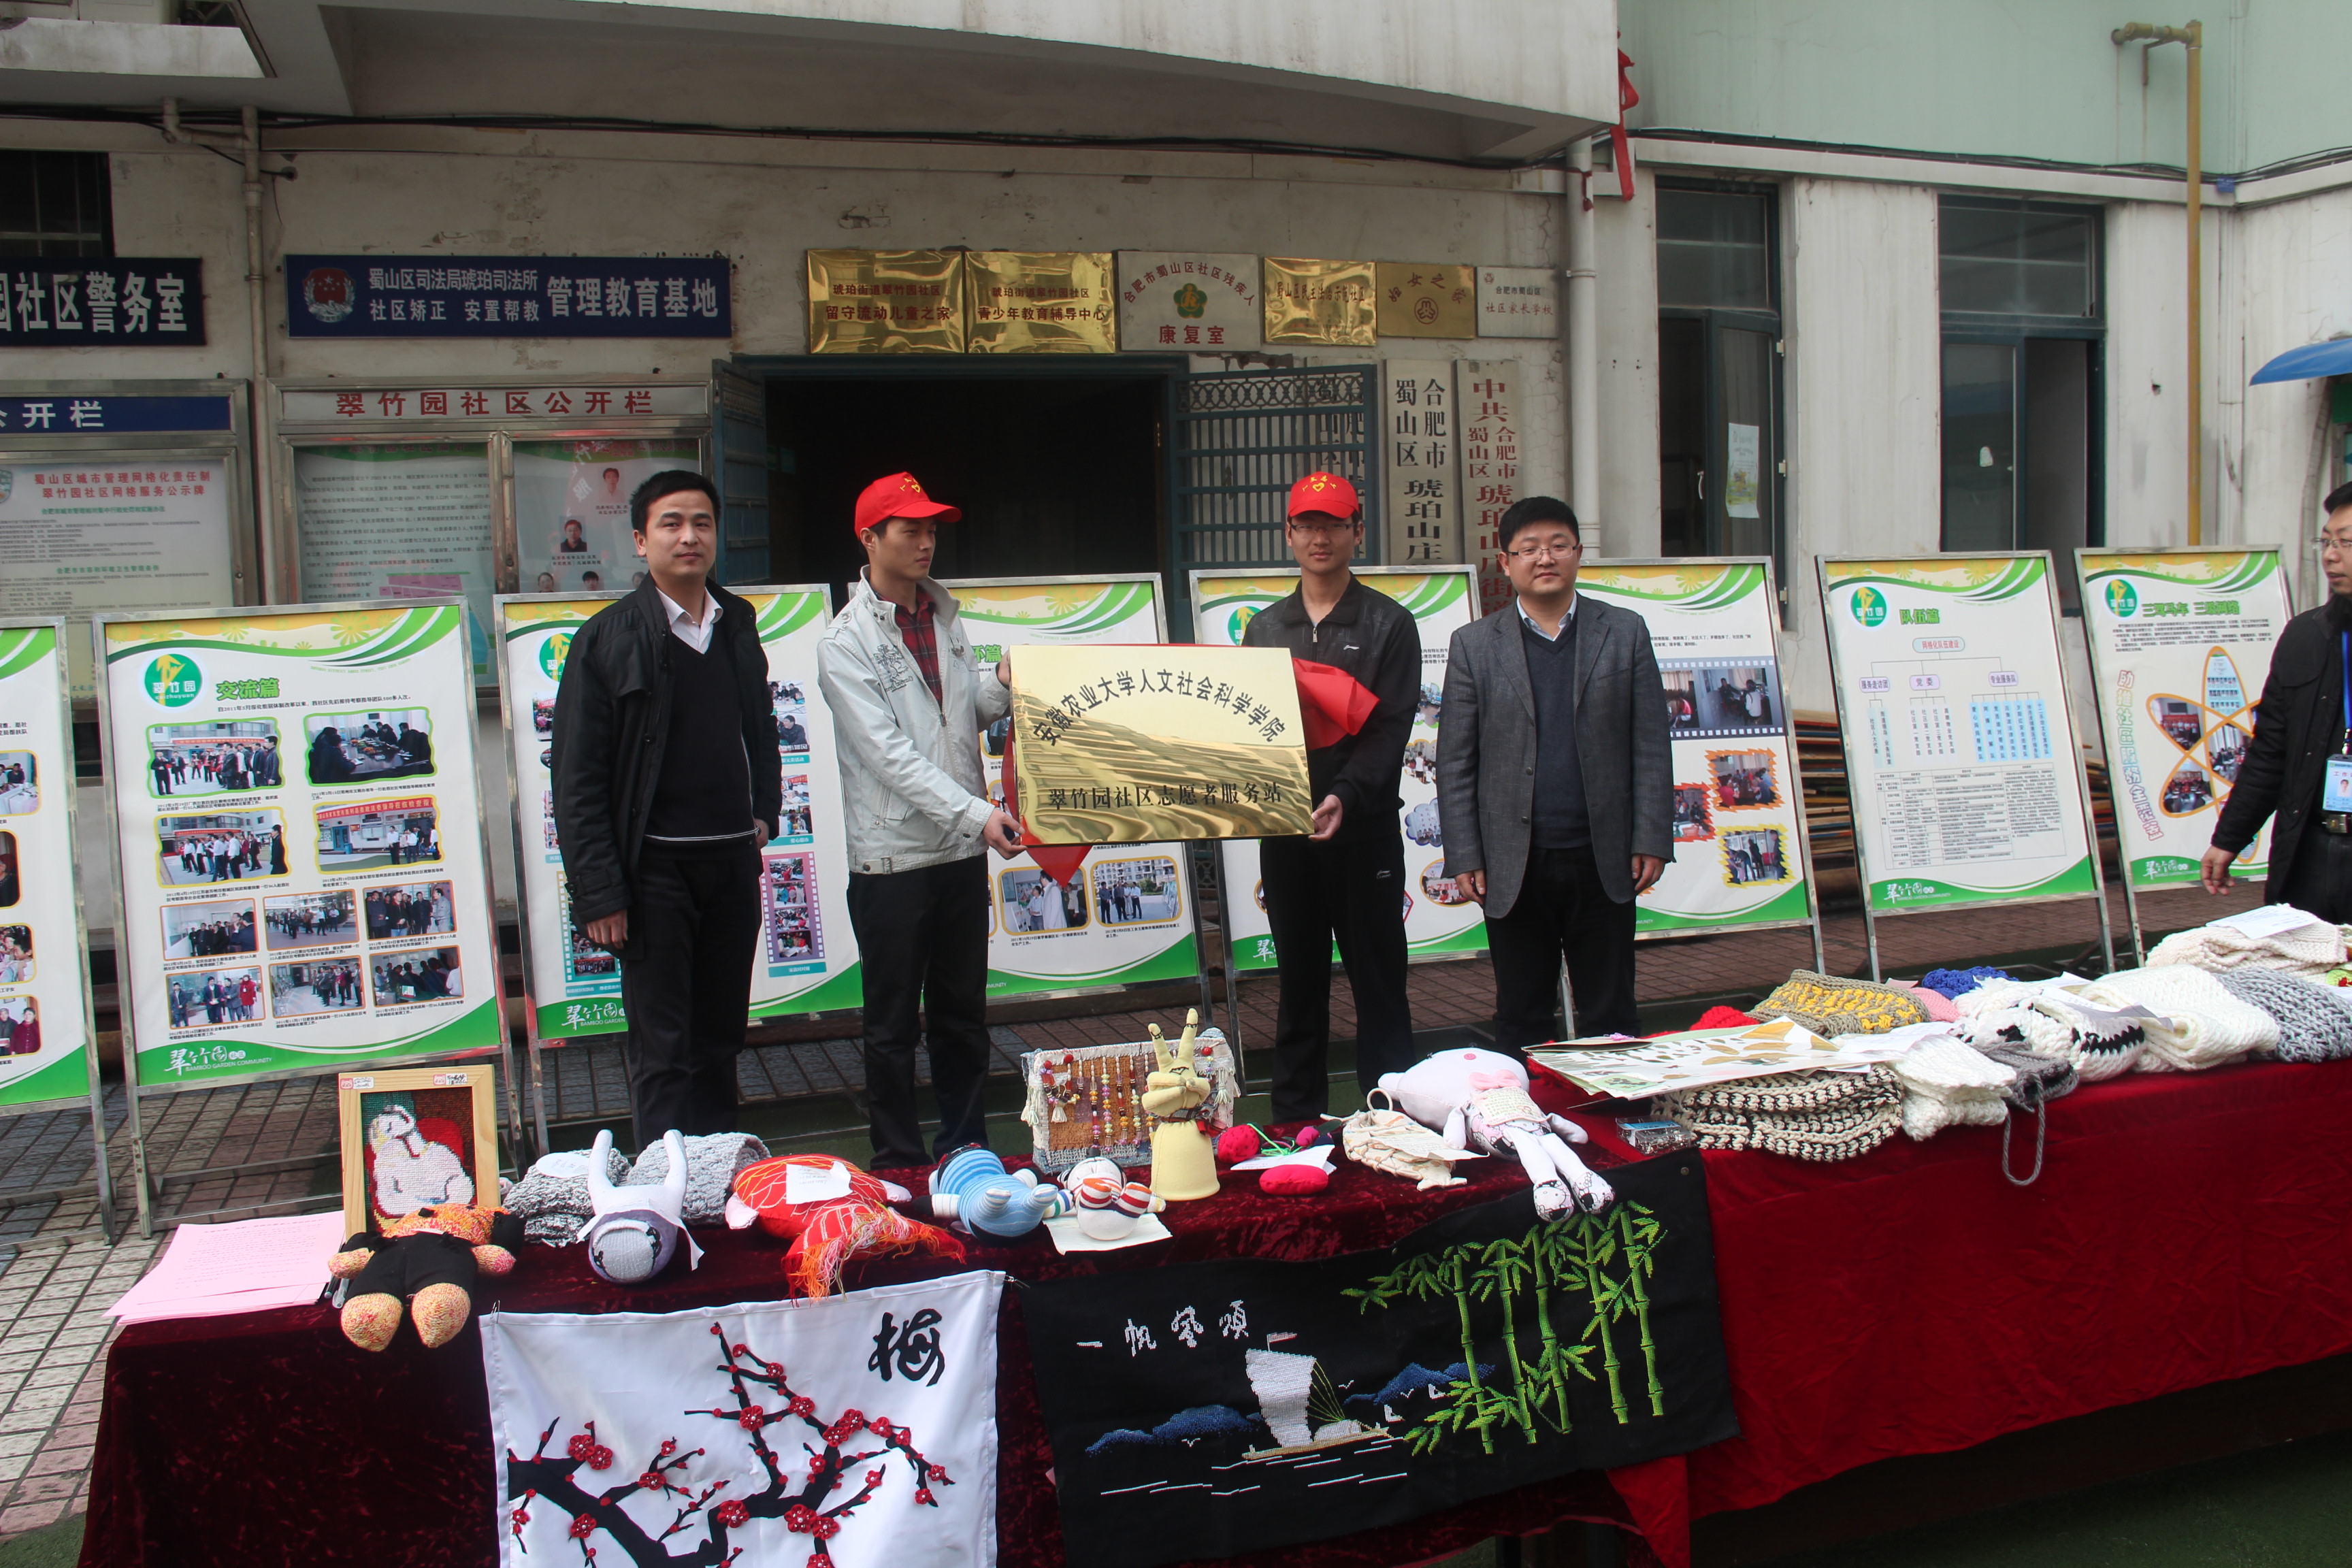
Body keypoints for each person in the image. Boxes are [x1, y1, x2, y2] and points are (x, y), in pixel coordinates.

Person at [553, 470, 781, 1147]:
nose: (689, 537)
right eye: (672, 523)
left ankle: (716, 1178)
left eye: (702, 523)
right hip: (654, 873)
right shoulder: (607, 639)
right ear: (640, 539)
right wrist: (600, 894)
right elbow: (577, 777)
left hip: (730, 866)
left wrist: (765, 809)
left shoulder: (736, 623)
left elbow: (760, 726)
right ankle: (663, 1188)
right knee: (664, 1048)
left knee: (720, 1038)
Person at [817, 471, 1022, 1171]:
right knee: (892, 1025)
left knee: (964, 1016)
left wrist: (1003, 685)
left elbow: (962, 719)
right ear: (870, 539)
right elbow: (890, 757)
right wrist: (979, 815)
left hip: (960, 852)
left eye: (932, 530)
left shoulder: (943, 617)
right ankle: (899, 1162)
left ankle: (967, 1150)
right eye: (911, 530)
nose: (926, 542)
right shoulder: (844, 641)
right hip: (894, 859)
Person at [1437, 495, 1671, 1045]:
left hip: (1604, 855)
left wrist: (1651, 837)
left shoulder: (1624, 632)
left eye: (1558, 546)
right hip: (1513, 862)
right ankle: (1526, 1103)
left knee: (1611, 1015)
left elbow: (1650, 744)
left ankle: (1610, 1100)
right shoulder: (1474, 645)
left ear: (1578, 554)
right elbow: (1456, 759)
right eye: (1530, 549)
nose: (1545, 558)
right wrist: (1466, 854)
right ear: (1506, 562)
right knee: (1522, 1017)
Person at [1240, 472, 1421, 1125]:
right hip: (1287, 836)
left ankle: (1396, 1120)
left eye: (1334, 525)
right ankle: (1296, 1124)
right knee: (1298, 985)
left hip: (1364, 834)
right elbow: (1247, 730)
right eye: (1308, 525)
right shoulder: (1265, 628)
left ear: (1357, 532)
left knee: (1380, 983)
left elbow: (1389, 730)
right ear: (1288, 534)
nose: (1321, 537)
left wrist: (1345, 795)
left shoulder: (1389, 624)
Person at [2205, 480, 2352, 920]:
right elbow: (2271, 750)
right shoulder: (2306, 637)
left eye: (2346, 542)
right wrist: (2230, 837)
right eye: (2325, 542)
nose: (2330, 556)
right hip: (2311, 849)